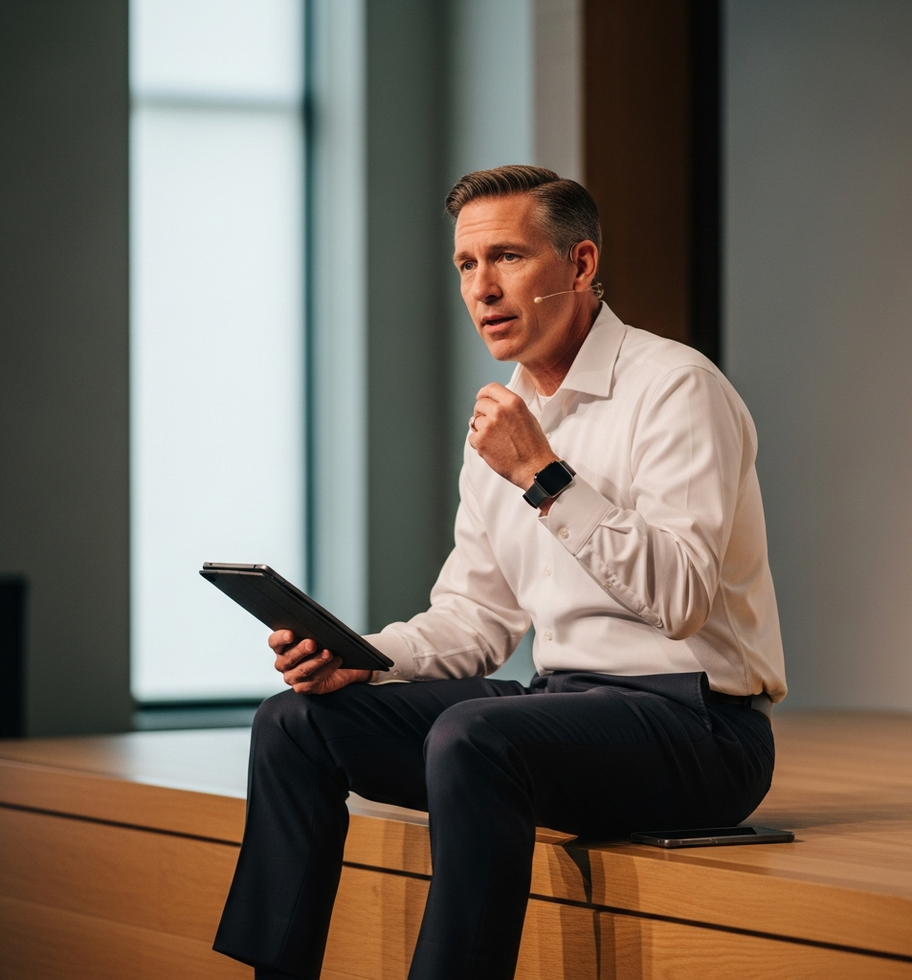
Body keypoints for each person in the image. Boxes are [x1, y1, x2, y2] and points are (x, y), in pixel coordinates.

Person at [213, 165, 786, 980]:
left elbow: (683, 598)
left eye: (508, 257)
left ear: (580, 265)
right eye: (466, 264)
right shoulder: (503, 423)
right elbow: (473, 620)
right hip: (563, 710)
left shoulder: (677, 389)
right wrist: (360, 658)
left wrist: (543, 477)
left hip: (701, 730)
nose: (482, 288)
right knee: (293, 724)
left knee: (474, 736)